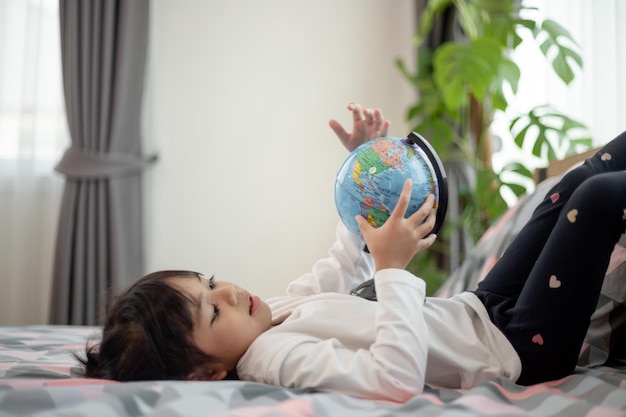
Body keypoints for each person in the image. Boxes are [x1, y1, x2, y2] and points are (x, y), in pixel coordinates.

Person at [78, 103, 626, 403]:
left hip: (480, 311)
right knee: (596, 199)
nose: (227, 291)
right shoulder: (272, 359)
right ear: (206, 377)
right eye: (212, 310)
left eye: (210, 280)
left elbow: (340, 267)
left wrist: (365, 179)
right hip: (520, 349)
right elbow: (393, 380)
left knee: (571, 184)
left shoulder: (275, 314)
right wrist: (391, 270)